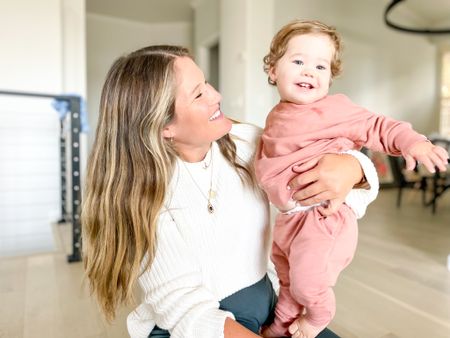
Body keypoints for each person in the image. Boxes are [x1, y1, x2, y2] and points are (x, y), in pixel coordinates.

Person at [81, 45, 380, 338]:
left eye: (206, 83)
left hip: (266, 303)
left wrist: (352, 167)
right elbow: (185, 312)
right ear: (163, 125)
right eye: (198, 93)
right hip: (192, 327)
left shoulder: (248, 144)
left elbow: (336, 185)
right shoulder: (145, 195)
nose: (216, 95)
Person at [255, 20, 450, 338]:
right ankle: (280, 325)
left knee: (307, 281)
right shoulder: (277, 114)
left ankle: (319, 315)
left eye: (321, 66)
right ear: (273, 70)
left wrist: (413, 142)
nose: (309, 71)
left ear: (330, 78)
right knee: (286, 277)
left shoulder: (333, 109)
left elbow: (379, 126)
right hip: (289, 218)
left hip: (322, 217)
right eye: (299, 61)